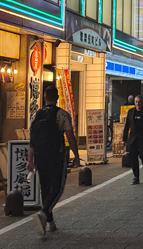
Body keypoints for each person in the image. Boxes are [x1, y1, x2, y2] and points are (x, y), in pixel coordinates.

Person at [27, 85, 80, 237]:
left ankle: (49, 223)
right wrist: (76, 156)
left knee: (45, 188)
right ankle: (44, 213)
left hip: (39, 156)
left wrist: (30, 161)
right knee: (57, 188)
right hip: (56, 156)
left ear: (44, 97)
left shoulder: (35, 115)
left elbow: (32, 141)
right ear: (57, 98)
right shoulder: (63, 115)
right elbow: (70, 136)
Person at [122, 95, 143, 185]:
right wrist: (124, 139)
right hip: (132, 139)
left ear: (142, 102)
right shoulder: (131, 112)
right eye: (136, 102)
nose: (137, 104)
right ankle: (136, 177)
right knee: (133, 158)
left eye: (139, 102)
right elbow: (127, 126)